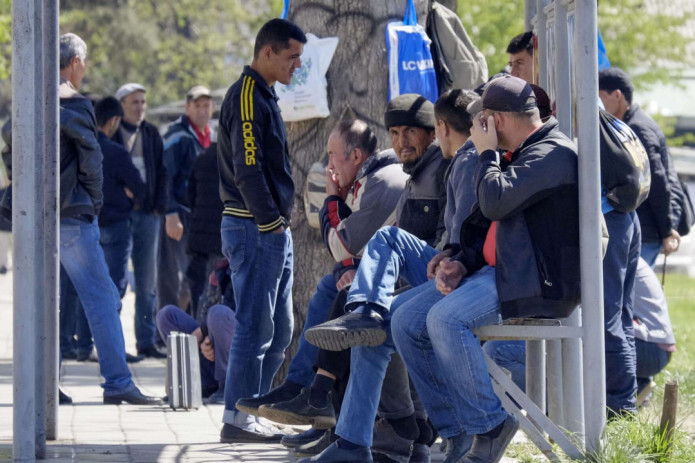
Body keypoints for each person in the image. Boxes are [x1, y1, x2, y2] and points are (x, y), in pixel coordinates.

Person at [305, 76, 582, 462]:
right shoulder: (518, 150)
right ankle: (454, 432)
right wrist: (458, 260)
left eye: (483, 121)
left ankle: (489, 425)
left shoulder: (551, 152)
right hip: (498, 272)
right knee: (401, 319)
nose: (478, 130)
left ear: (497, 120)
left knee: (444, 320)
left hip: (532, 282)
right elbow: (488, 228)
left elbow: (494, 202)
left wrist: (486, 153)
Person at [299, 89, 483, 462]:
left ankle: (331, 396)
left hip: (456, 280)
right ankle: (357, 441)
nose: (402, 142)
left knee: (372, 306)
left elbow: (457, 237)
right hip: (433, 274)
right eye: (395, 133)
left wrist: (448, 260)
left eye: (411, 132)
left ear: (436, 130)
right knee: (369, 324)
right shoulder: (416, 175)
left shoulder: (454, 164)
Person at [0, 33, 162, 405]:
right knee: (102, 298)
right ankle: (118, 382)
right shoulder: (76, 102)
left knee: (43, 301)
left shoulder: (30, 98)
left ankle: (44, 386)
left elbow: (9, 141)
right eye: (83, 63)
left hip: (32, 216)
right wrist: (94, 199)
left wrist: (24, 182)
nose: (84, 70)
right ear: (74, 63)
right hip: (73, 214)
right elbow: (92, 160)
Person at [216, 18, 306, 443]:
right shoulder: (248, 95)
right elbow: (247, 168)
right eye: (292, 57)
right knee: (254, 328)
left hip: (268, 227)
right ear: (266, 52)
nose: (297, 67)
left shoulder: (264, 93)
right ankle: (237, 420)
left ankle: (254, 408)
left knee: (280, 329)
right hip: (255, 226)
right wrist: (271, 224)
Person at [484, 258, 675, 406]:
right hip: (654, 349)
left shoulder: (602, 254)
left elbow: (595, 312)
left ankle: (571, 410)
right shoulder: (611, 246)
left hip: (647, 348)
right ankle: (629, 387)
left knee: (500, 350)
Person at [67, 96, 149, 363]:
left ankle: (83, 346)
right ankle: (111, 350)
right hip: (115, 225)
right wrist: (127, 195)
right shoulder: (116, 152)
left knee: (85, 286)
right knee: (113, 288)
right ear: (114, 121)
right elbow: (140, 189)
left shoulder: (81, 148)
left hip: (85, 224)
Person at [598, 67, 683, 267]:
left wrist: (666, 230)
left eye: (599, 98)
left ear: (617, 95)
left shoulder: (636, 127)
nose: (596, 105)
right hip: (647, 228)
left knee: (635, 295)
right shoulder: (632, 123)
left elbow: (656, 181)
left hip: (648, 229)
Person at [113, 82, 168, 359]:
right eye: (134, 102)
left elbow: (162, 172)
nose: (140, 107)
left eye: (143, 102)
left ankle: (146, 341)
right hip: (119, 216)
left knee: (147, 284)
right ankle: (114, 345)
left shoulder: (151, 133)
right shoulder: (111, 133)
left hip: (148, 216)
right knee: (117, 282)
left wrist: (159, 207)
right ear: (121, 105)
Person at [158, 85, 215, 313]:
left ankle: (190, 331)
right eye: (197, 105)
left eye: (206, 105)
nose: (202, 110)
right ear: (187, 107)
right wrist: (170, 213)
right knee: (173, 276)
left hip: (202, 218)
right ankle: (166, 334)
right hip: (180, 214)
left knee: (197, 277)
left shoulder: (213, 136)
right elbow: (166, 177)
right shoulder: (177, 137)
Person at [185, 140, 225, 318]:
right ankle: (202, 338)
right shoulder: (235, 160)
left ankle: (196, 336)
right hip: (219, 239)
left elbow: (190, 197)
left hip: (198, 240)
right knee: (211, 294)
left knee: (199, 291)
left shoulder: (202, 157)